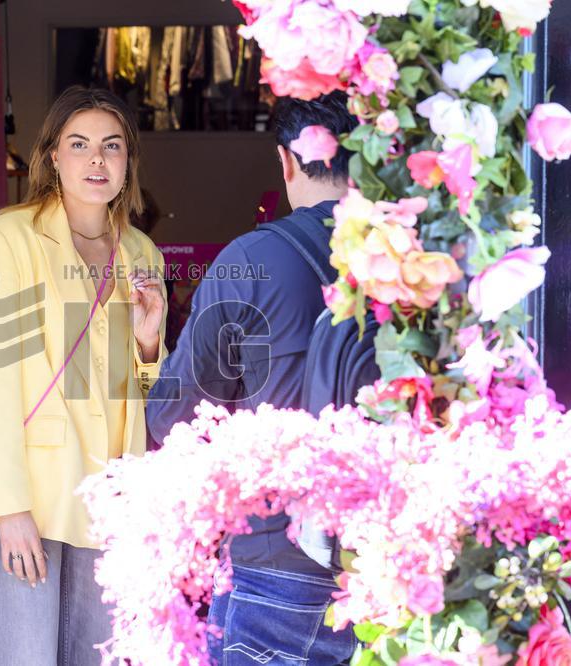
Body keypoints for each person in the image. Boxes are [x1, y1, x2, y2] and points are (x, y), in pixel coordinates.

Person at [0, 86, 167, 666]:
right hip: (34, 494)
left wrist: (148, 343)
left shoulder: (142, 254)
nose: (97, 160)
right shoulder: (8, 238)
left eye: (111, 146)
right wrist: (7, 504)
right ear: (52, 157)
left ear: (128, 161)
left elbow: (135, 394)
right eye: (80, 144)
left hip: (111, 494)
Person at [145, 92, 359, 665]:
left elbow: (175, 415)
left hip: (276, 560)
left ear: (286, 163)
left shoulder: (251, 259)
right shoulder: (412, 257)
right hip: (386, 562)